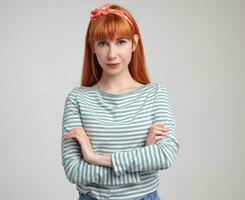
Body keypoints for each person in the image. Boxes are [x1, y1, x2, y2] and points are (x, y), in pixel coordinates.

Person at [61, 3, 180, 200]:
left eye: (121, 42)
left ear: (134, 43)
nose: (111, 54)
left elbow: (165, 155)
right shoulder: (78, 99)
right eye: (102, 43)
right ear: (92, 47)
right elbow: (74, 171)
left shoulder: (155, 94)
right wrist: (141, 164)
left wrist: (94, 158)